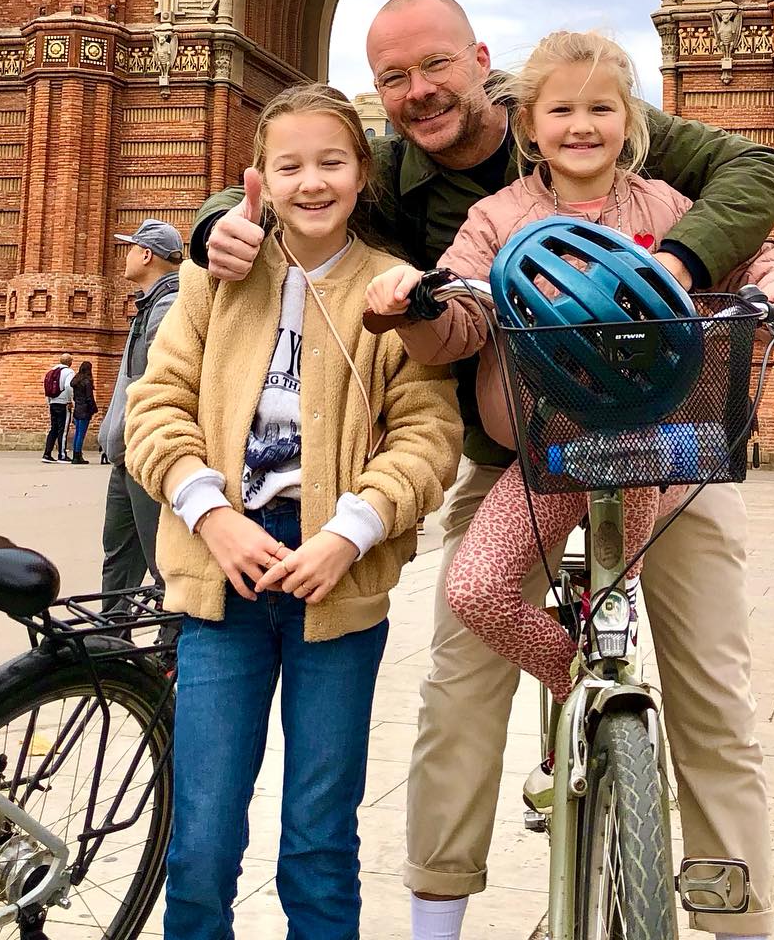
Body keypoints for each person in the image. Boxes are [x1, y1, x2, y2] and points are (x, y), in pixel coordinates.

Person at [191, 0, 774, 940]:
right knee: (459, 689)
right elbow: (304, 180)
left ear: (483, 64)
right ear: (530, 121)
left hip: (672, 451)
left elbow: (758, 185)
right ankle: (442, 908)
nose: (417, 92)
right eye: (393, 78)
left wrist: (716, 277)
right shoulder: (445, 192)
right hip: (520, 456)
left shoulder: (635, 144)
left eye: (435, 66)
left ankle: (739, 918)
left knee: (711, 694)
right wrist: (218, 230)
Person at [365, 30, 774, 725]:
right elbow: (459, 319)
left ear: (630, 121)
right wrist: (413, 307)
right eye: (560, 112)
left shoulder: (667, 206)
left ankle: (622, 705)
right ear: (527, 125)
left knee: (626, 592)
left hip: (654, 445)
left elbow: (753, 264)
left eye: (601, 110)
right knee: (476, 589)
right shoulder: (495, 219)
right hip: (551, 452)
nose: (581, 126)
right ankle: (580, 684)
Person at [126, 83, 461, 940]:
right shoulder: (214, 281)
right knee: (198, 838)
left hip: (333, 586)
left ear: (363, 174)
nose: (311, 183)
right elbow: (154, 407)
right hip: (220, 579)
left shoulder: (390, 291)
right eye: (290, 166)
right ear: (259, 182)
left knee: (317, 840)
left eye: (331, 163)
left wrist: (350, 534)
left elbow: (427, 436)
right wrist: (211, 514)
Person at [99, 220, 184, 596]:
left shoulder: (168, 306)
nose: (127, 255)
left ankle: (173, 651)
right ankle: (112, 648)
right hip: (126, 457)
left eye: (131, 247)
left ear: (146, 254)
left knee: (163, 563)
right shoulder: (151, 304)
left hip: (146, 455)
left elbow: (161, 382)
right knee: (119, 559)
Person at [42, 353, 74, 462]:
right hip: (63, 403)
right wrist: (70, 400)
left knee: (53, 429)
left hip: (53, 402)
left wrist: (50, 400)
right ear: (70, 362)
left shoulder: (52, 371)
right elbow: (68, 386)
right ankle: (62, 455)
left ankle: (47, 454)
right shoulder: (69, 372)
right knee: (63, 430)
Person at [68, 361, 98, 465]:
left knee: (77, 433)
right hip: (85, 410)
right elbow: (89, 397)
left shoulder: (76, 381)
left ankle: (75, 454)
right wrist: (94, 408)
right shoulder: (87, 381)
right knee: (81, 433)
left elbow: (75, 397)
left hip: (77, 408)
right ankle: (77, 455)